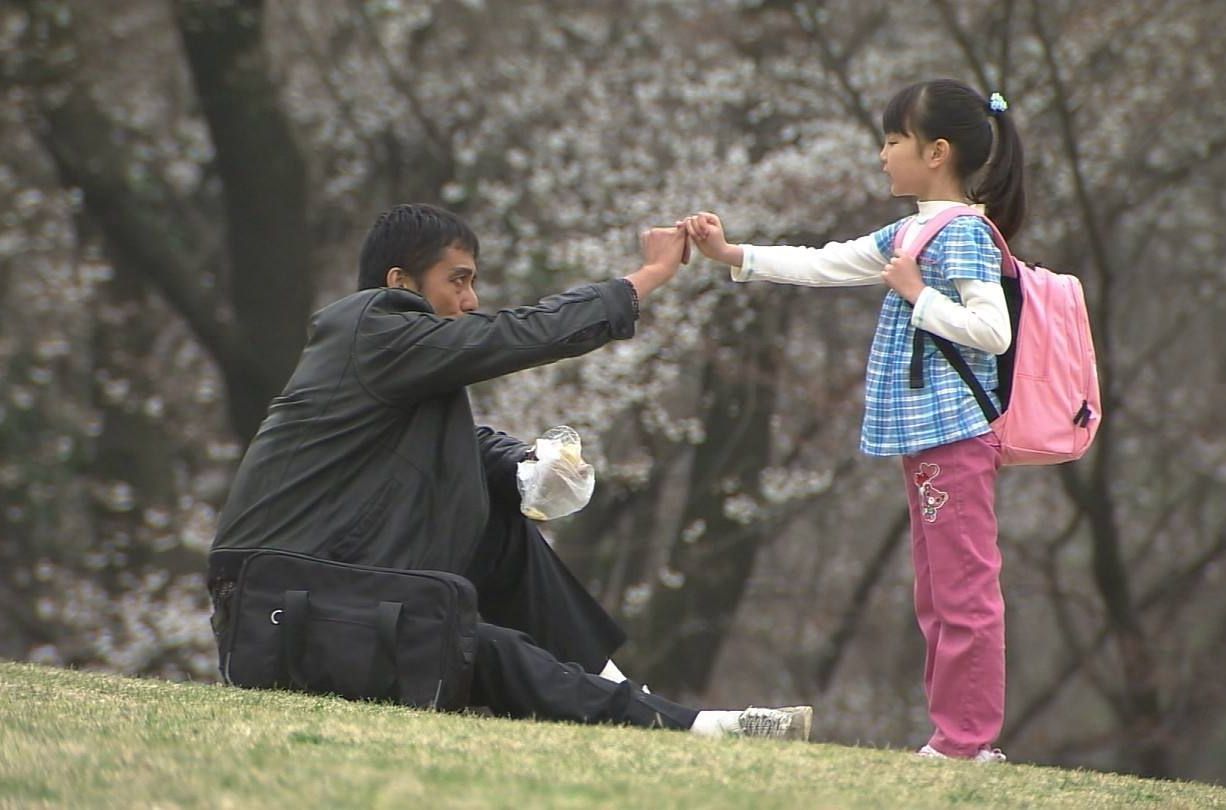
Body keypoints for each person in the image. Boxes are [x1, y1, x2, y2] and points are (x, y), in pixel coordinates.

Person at [207, 202, 812, 741]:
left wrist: (527, 467)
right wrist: (645, 279)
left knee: (501, 525)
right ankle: (692, 728)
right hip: (273, 604)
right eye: (458, 281)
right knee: (472, 643)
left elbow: (458, 446)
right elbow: (510, 335)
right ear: (401, 283)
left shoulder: (387, 363)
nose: (471, 300)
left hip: (316, 589)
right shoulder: (373, 329)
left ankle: (638, 701)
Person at [683, 79, 1024, 761]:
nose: (881, 153)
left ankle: (967, 741)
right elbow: (824, 264)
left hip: (955, 436)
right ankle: (954, 734)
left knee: (963, 590)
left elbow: (994, 332)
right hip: (930, 440)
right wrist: (733, 256)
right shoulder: (913, 229)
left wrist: (917, 295)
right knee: (937, 590)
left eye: (894, 140)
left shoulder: (959, 235)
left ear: (937, 152)